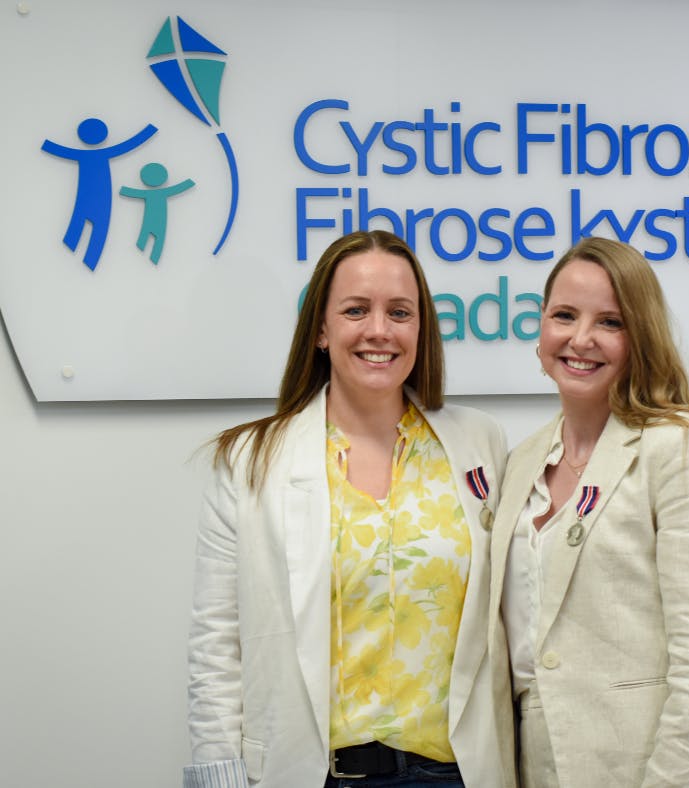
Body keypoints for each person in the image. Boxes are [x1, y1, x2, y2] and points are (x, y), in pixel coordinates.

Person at [183, 230, 516, 788]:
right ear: (320, 328)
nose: (379, 330)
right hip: (315, 776)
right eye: (356, 310)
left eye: (400, 312)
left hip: (455, 775)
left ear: (421, 329)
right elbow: (217, 646)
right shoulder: (249, 461)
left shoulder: (480, 444)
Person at [488, 237, 689, 787]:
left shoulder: (681, 448)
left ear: (641, 338)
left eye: (610, 321)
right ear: (540, 330)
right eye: (564, 315)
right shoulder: (520, 464)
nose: (580, 339)